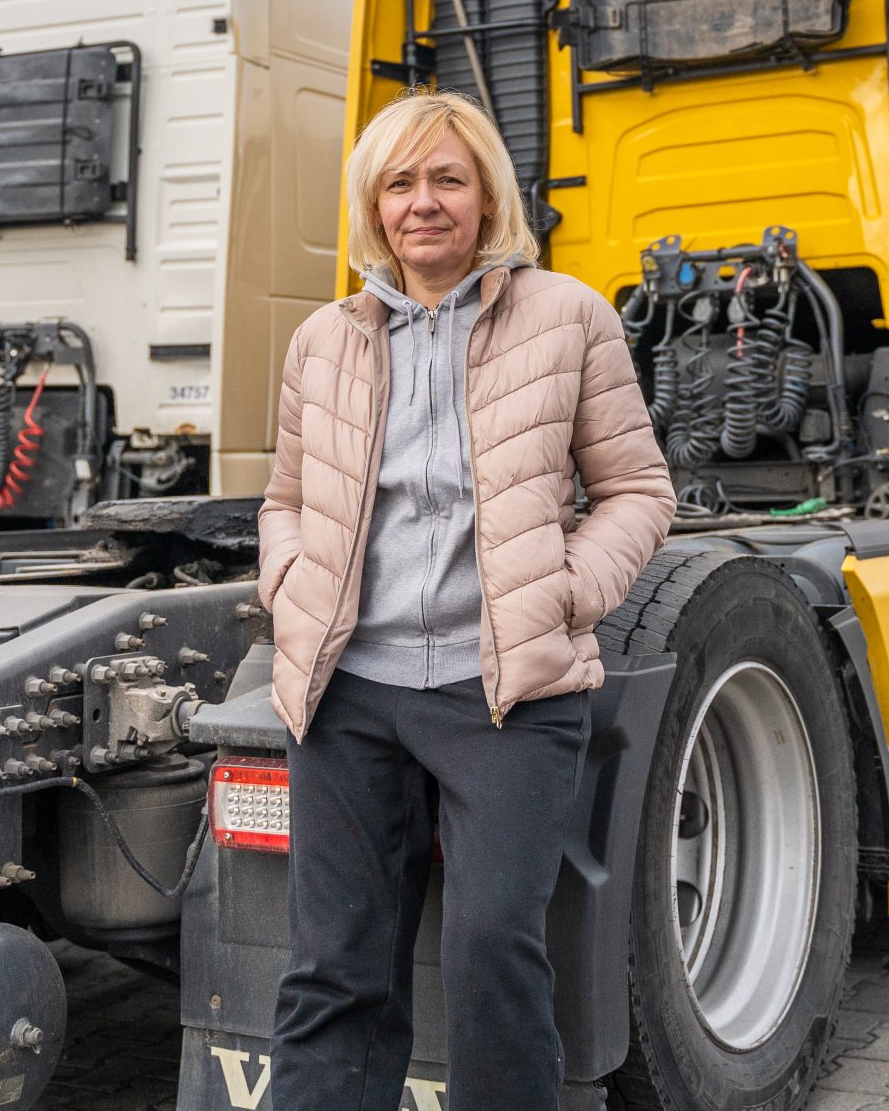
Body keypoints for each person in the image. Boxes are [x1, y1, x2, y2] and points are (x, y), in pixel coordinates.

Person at [256, 88, 675, 1111]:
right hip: (349, 694)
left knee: (493, 952)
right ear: (373, 205)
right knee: (335, 965)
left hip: (506, 698)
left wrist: (567, 592)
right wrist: (288, 587)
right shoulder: (324, 341)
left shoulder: (569, 315)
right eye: (400, 183)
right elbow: (286, 499)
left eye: (448, 178)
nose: (423, 203)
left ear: (488, 197)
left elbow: (636, 490)